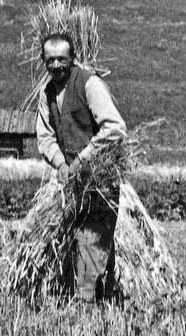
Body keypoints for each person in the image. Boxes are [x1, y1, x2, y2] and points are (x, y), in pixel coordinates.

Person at [35, 32, 127, 301]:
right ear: (43, 60)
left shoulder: (90, 84)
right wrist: (61, 163)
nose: (55, 66)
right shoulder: (47, 92)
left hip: (99, 180)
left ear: (72, 58)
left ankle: (89, 305)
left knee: (93, 242)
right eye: (50, 60)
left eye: (61, 59)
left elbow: (114, 128)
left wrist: (81, 161)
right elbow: (45, 136)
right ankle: (96, 302)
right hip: (70, 181)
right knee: (75, 244)